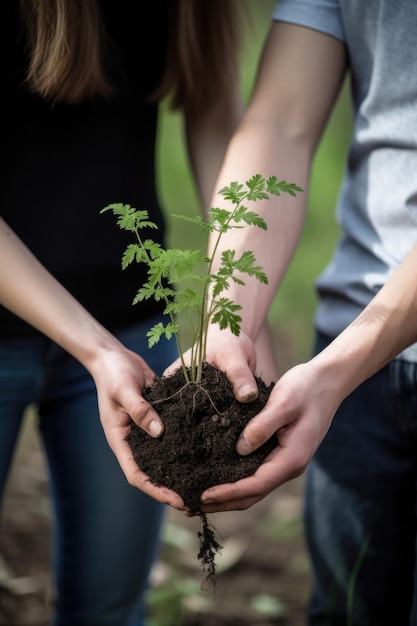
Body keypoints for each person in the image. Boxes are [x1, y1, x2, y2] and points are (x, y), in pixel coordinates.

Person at [1, 2, 280, 624]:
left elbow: (213, 113)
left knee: (111, 604)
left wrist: (237, 317)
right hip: (61, 335)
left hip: (129, 328)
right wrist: (94, 348)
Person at [186, 1, 417, 625]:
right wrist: (228, 321)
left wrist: (338, 370)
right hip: (356, 360)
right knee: (346, 608)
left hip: (347, 365)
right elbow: (281, 121)